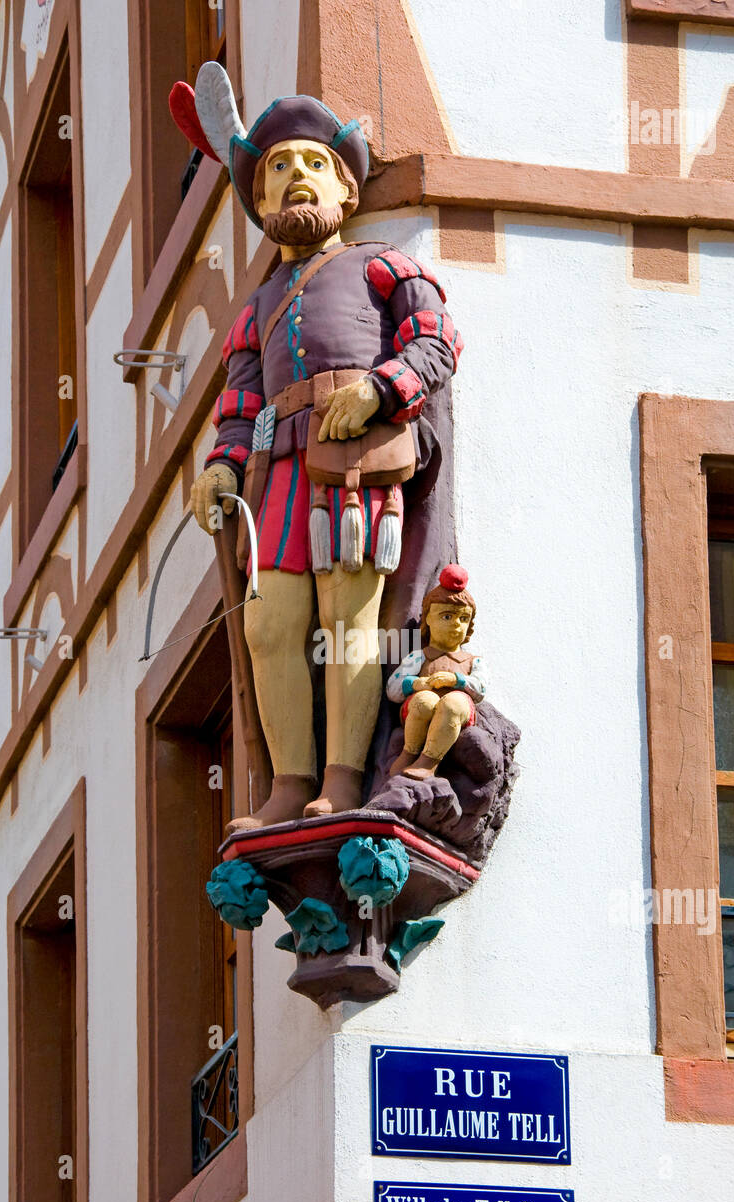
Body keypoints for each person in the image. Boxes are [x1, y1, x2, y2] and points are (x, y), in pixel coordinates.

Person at [187, 92, 463, 828]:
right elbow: (240, 399)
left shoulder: (383, 266)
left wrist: (381, 389)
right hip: (276, 468)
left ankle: (341, 780)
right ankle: (288, 784)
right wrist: (221, 464)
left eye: (316, 162)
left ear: (347, 188)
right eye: (278, 167)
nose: (297, 175)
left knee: (348, 620)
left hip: (356, 457)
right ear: (259, 195)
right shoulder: (256, 306)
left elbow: (436, 343)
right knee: (269, 626)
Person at [386, 565, 486, 780]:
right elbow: (393, 688)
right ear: (428, 618)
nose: (456, 625)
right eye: (447, 617)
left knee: (454, 703)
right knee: (425, 700)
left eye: (463, 619)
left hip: (457, 711)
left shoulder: (473, 661)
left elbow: (480, 688)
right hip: (420, 707)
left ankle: (429, 761)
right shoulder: (419, 657)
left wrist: (457, 680)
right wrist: (416, 684)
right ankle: (409, 752)